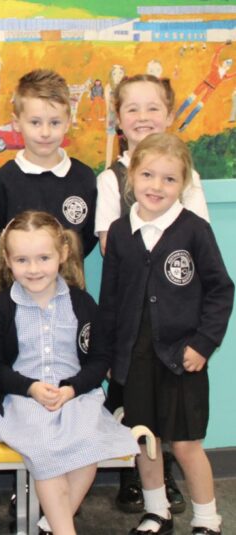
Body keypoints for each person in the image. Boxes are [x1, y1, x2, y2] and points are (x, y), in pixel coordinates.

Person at [95, 133, 233, 535]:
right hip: (133, 359)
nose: (157, 186)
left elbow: (221, 289)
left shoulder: (194, 231)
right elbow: (111, 299)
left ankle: (208, 518)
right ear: (131, 178)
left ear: (184, 185)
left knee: (186, 444)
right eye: (148, 175)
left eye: (169, 180)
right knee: (145, 440)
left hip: (182, 357)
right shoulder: (121, 232)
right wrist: (108, 357)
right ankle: (157, 511)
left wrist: (203, 344)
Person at [0, 211, 139, 535]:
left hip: (76, 396)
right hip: (21, 400)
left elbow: (99, 359)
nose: (34, 268)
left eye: (43, 258)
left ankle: (51, 526)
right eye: (23, 260)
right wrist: (30, 388)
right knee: (45, 446)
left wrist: (71, 389)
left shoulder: (82, 303)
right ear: (8, 260)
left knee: (89, 442)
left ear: (63, 254)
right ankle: (64, 531)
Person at [0, 69, 98, 268]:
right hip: (14, 291)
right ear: (17, 123)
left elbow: (85, 239)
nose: (45, 132)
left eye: (55, 122)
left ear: (68, 122)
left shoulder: (83, 177)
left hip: (67, 289)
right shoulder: (3, 181)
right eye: (35, 122)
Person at [96, 74, 210, 254]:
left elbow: (202, 241)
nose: (142, 117)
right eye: (132, 110)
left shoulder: (189, 176)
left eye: (153, 109)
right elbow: (109, 247)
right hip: (133, 280)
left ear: (170, 117)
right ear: (118, 118)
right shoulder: (109, 180)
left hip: (179, 277)